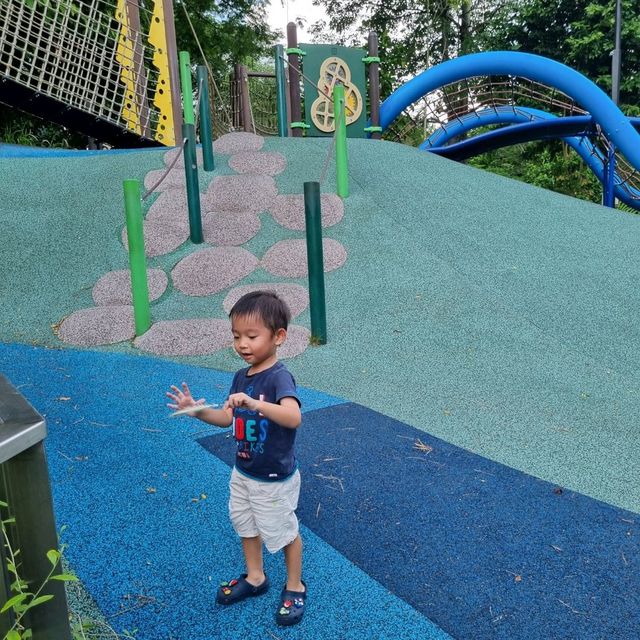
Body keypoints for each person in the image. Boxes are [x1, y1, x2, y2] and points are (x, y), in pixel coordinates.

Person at [165, 290, 306, 626]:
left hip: (273, 478)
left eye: (252, 336)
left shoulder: (279, 377)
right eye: (236, 336)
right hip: (243, 471)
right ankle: (256, 577)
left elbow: (293, 417)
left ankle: (295, 585)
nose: (243, 344)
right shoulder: (241, 377)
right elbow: (227, 418)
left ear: (279, 337)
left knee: (283, 531)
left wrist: (256, 404)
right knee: (244, 523)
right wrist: (197, 412)